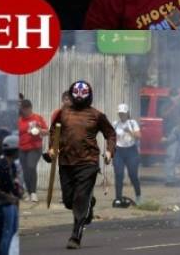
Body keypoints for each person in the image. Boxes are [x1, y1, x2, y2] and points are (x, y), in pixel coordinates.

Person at [47, 80, 116, 249]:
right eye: (75, 95)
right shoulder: (61, 114)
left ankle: (75, 236)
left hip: (88, 162)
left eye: (82, 95)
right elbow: (53, 132)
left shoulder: (97, 115)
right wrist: (51, 148)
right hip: (66, 162)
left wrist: (109, 152)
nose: (79, 98)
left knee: (79, 199)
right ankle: (89, 204)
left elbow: (111, 134)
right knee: (69, 200)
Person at [18, 98, 48, 202]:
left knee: (31, 166)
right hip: (22, 148)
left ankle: (34, 192)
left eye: (26, 109)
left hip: (35, 147)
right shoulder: (19, 120)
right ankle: (29, 192)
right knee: (25, 171)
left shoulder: (37, 118)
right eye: (23, 109)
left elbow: (46, 131)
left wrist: (39, 130)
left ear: (30, 108)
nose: (25, 112)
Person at [112, 104, 142, 205]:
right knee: (119, 174)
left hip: (131, 151)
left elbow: (138, 136)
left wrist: (129, 131)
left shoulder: (132, 123)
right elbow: (111, 138)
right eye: (120, 113)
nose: (122, 115)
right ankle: (118, 198)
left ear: (127, 113)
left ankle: (138, 196)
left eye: (123, 113)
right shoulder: (116, 124)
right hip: (119, 151)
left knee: (133, 175)